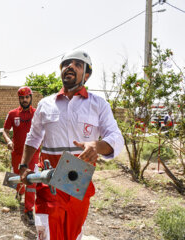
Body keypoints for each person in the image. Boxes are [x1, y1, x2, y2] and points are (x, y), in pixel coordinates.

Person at [18, 50, 124, 240]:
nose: (71, 66)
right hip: (48, 178)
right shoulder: (46, 104)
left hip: (79, 178)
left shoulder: (98, 104)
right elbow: (33, 137)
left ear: (87, 74)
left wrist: (96, 146)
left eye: (78, 64)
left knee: (73, 234)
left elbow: (116, 136)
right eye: (67, 63)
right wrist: (24, 166)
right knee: (48, 233)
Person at [3, 86, 40, 225]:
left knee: (31, 180)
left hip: (33, 154)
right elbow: (5, 131)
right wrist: (8, 140)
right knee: (18, 177)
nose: (25, 100)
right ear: (19, 99)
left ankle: (29, 209)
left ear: (31, 97)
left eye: (27, 97)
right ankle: (19, 191)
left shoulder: (37, 113)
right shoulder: (12, 114)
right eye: (22, 98)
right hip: (17, 153)